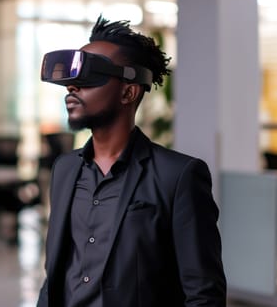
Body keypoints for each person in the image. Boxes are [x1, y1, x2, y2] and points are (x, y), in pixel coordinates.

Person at [36, 15, 226, 307]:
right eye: (72, 80)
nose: (72, 88)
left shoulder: (178, 176)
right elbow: (56, 275)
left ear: (128, 91)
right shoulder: (64, 169)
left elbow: (203, 294)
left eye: (88, 78)